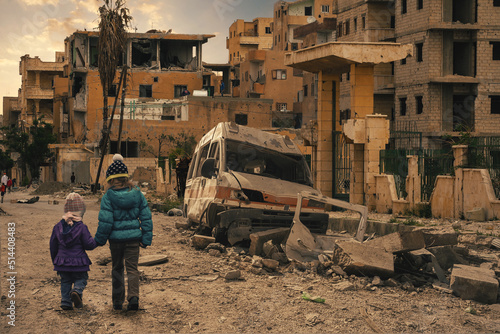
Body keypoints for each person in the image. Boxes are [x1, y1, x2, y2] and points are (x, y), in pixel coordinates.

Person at [94, 154, 153, 311]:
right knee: (132, 268)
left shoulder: (108, 197)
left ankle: (118, 302)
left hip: (115, 241)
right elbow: (146, 217)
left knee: (117, 268)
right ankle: (134, 298)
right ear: (126, 178)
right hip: (134, 239)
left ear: (111, 179)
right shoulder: (138, 194)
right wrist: (146, 238)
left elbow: (106, 222)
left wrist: (99, 240)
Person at [49, 193, 97, 310]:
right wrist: (97, 241)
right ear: (81, 210)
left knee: (65, 281)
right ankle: (76, 291)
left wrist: (55, 259)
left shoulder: (57, 227)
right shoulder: (81, 227)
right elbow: (89, 244)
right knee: (81, 278)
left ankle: (66, 302)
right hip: (79, 261)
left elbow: (53, 245)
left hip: (62, 261)